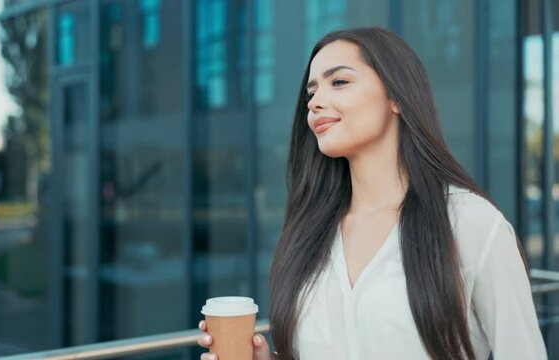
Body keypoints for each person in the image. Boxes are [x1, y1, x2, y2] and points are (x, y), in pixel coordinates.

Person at [197, 27, 547, 359]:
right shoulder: (310, 231)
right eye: (312, 92)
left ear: (396, 96)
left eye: (339, 82)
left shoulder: (471, 223)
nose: (316, 102)